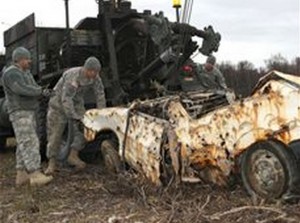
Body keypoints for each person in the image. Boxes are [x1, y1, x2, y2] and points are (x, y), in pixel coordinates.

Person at [45, 56, 106, 175]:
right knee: (55, 133)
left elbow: (100, 94)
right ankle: (51, 163)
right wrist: (73, 116)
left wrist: (101, 113)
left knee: (84, 128)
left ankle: (73, 155)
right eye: (92, 71)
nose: (94, 74)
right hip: (58, 104)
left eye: (96, 72)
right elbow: (66, 98)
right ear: (86, 69)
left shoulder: (96, 77)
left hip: (77, 102)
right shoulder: (73, 76)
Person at [2, 46, 53, 186]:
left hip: (28, 111)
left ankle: (22, 174)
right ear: (19, 59)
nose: (29, 61)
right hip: (19, 111)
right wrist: (40, 91)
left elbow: (33, 87)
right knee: (30, 142)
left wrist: (41, 91)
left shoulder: (25, 73)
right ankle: (34, 173)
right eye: (27, 59)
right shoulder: (11, 73)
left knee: (23, 142)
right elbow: (21, 89)